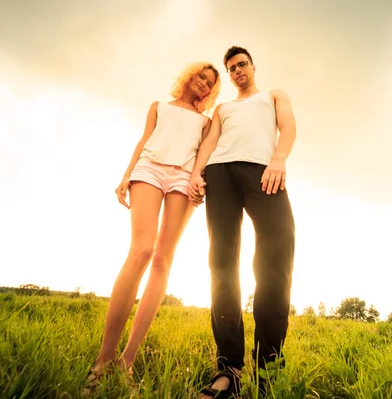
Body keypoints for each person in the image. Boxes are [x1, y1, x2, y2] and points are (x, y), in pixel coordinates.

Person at [83, 61, 221, 392]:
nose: (203, 83)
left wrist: (198, 181)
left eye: (210, 82)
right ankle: (103, 360)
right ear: (190, 77)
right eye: (201, 76)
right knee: (142, 250)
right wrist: (126, 175)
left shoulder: (205, 121)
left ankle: (126, 362)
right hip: (150, 169)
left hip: (183, 178)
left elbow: (205, 153)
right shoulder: (158, 106)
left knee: (162, 259)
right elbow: (144, 140)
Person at [189, 45, 297, 398]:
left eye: (241, 64)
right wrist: (196, 174)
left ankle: (268, 370)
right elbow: (209, 144)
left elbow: (289, 128)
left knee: (277, 256)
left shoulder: (274, 95)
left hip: (263, 171)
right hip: (220, 174)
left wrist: (278, 159)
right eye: (231, 68)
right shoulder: (224, 108)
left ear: (252, 66)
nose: (237, 71)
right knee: (221, 262)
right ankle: (230, 369)